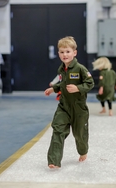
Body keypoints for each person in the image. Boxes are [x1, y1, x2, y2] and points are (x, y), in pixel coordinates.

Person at [43, 36, 95, 169]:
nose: (64, 54)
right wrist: (53, 88)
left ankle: (83, 151)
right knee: (58, 130)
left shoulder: (80, 68)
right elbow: (62, 83)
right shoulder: (61, 69)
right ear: (58, 53)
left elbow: (90, 83)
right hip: (64, 107)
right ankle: (54, 161)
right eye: (61, 52)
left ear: (74, 53)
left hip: (79, 109)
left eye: (67, 51)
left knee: (79, 134)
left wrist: (78, 88)